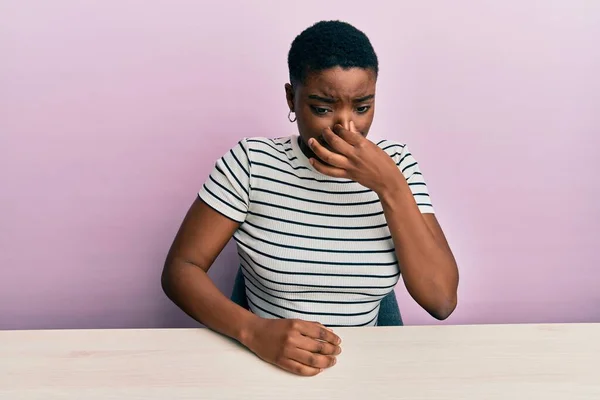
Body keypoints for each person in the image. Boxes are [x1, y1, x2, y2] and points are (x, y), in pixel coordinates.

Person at [161, 20, 459, 377]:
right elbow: (181, 269)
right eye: (322, 108)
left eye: (362, 107)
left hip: (367, 373)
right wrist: (254, 331)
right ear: (292, 97)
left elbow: (441, 301)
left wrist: (389, 185)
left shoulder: (397, 166)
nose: (346, 126)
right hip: (266, 368)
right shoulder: (252, 164)